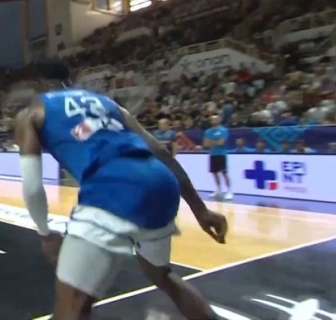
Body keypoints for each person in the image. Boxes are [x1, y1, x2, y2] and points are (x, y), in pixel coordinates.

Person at [14, 86, 228, 319]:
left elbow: (32, 188)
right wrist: (200, 209)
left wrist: (45, 234)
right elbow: (159, 151)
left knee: (72, 306)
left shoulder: (32, 112)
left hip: (111, 189)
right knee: (163, 276)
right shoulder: (108, 104)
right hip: (160, 184)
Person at [203, 115, 232, 200]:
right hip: (212, 154)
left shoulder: (223, 130)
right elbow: (205, 144)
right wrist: (216, 141)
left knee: (224, 173)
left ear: (219, 120)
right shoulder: (207, 132)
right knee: (214, 173)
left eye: (215, 119)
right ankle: (218, 190)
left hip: (221, 154)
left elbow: (221, 142)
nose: (214, 121)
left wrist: (211, 142)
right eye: (212, 120)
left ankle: (229, 191)